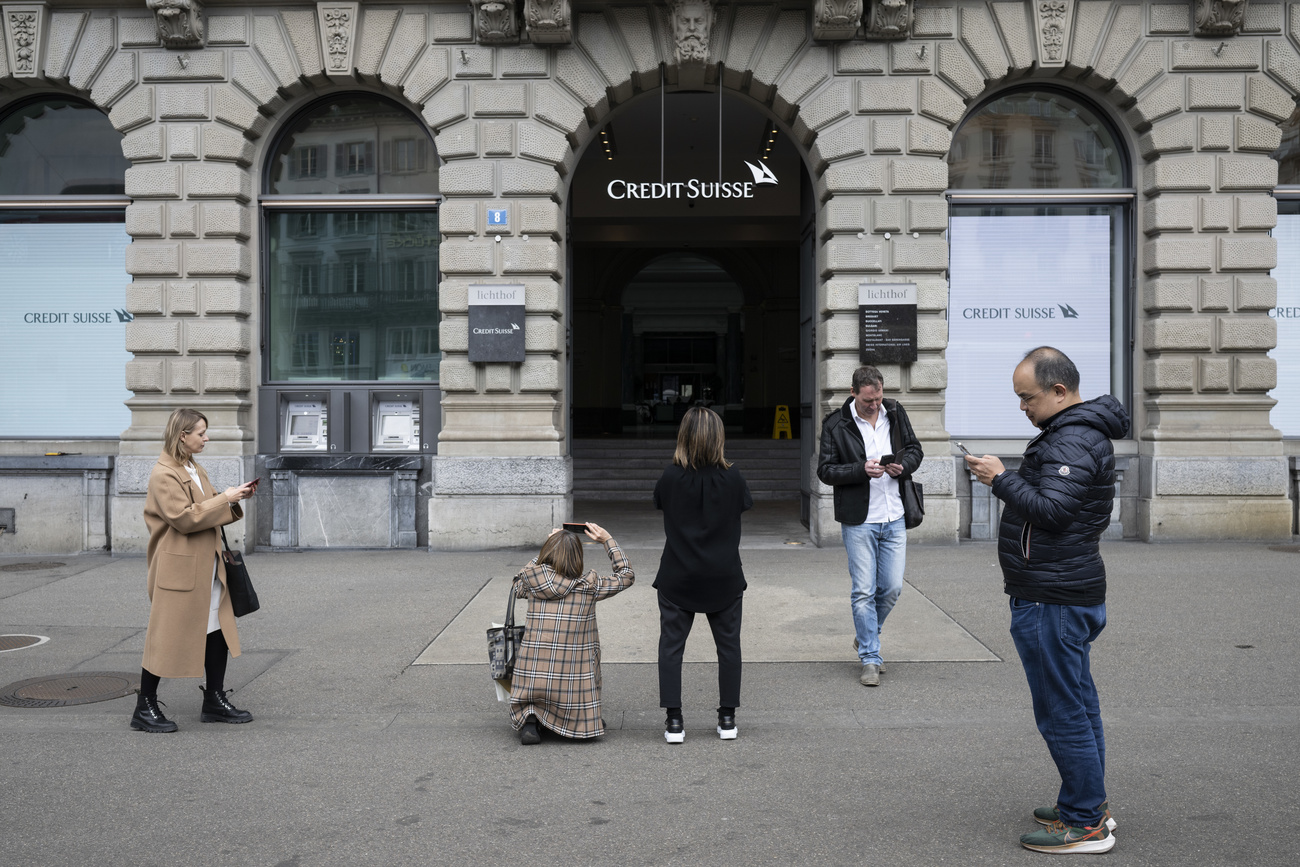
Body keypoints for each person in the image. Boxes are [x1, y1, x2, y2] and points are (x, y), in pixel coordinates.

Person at [965, 346, 1129, 855]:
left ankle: (1085, 824)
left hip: (1053, 597)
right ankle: (1088, 803)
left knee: (1062, 711)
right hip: (1064, 590)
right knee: (1077, 703)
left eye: (1027, 397)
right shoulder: (1075, 433)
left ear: (1059, 391)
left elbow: (1053, 512)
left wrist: (1001, 478)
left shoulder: (1073, 438)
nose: (1022, 407)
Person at [132, 408, 258, 733]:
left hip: (206, 565)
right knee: (165, 635)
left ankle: (214, 699)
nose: (206, 438)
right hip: (178, 570)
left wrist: (233, 498)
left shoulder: (193, 467)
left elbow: (207, 507)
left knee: (216, 629)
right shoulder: (164, 474)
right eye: (201, 433)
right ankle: (144, 706)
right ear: (182, 435)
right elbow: (185, 518)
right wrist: (225, 498)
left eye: (205, 432)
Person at [816, 365, 923, 687]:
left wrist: (902, 466)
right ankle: (870, 658)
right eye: (867, 401)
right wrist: (860, 470)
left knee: (891, 588)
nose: (874, 405)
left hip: (895, 515)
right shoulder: (835, 424)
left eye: (877, 399)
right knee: (863, 591)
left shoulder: (895, 411)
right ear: (853, 393)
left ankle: (866, 635)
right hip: (859, 519)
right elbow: (825, 471)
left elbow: (915, 450)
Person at [653, 406, 752, 743]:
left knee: (671, 647)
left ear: (684, 437)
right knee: (729, 647)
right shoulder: (734, 478)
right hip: (723, 575)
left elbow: (659, 502)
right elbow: (742, 506)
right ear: (718, 438)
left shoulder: (670, 477)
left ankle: (674, 721)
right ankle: (727, 718)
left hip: (678, 574)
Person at [509, 522, 633, 745]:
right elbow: (627, 575)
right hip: (571, 678)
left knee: (534, 682)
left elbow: (518, 582)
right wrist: (607, 540)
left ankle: (531, 719)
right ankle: (579, 722)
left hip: (533, 673)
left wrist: (549, 546)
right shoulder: (589, 586)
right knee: (576, 674)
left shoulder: (532, 581)